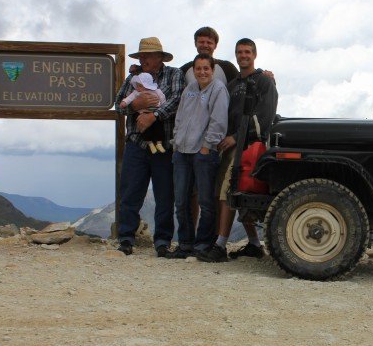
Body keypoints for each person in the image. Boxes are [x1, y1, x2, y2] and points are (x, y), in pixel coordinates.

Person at [198, 38, 278, 263]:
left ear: (254, 54)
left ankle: (220, 246)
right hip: (230, 145)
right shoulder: (232, 85)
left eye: (247, 52)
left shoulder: (264, 82)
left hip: (250, 146)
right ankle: (253, 244)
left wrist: (236, 137)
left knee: (228, 192)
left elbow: (266, 116)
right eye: (239, 52)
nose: (243, 56)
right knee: (238, 194)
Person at [115, 37, 185, 257]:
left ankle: (162, 241)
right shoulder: (134, 78)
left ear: (159, 58)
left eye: (147, 55)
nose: (143, 59)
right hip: (136, 145)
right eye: (141, 56)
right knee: (130, 193)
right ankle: (126, 238)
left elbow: (177, 99)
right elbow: (119, 105)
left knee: (165, 196)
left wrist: (154, 116)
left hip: (163, 146)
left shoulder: (174, 75)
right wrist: (135, 104)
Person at [165, 53, 229, 258]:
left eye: (206, 68)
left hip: (203, 153)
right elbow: (180, 118)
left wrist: (207, 146)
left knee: (206, 201)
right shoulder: (189, 89)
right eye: (198, 68)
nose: (202, 72)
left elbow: (218, 120)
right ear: (193, 70)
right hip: (182, 152)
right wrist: (176, 142)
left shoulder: (218, 89)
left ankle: (203, 245)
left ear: (213, 70)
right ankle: (185, 244)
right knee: (181, 201)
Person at [119, 72, 167, 154]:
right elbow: (129, 99)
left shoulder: (156, 91)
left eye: (139, 86)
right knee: (145, 129)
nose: (137, 87)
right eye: (137, 85)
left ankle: (159, 143)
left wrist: (161, 107)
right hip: (142, 114)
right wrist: (125, 103)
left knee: (159, 128)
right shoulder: (136, 93)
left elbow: (163, 99)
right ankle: (151, 144)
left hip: (155, 112)